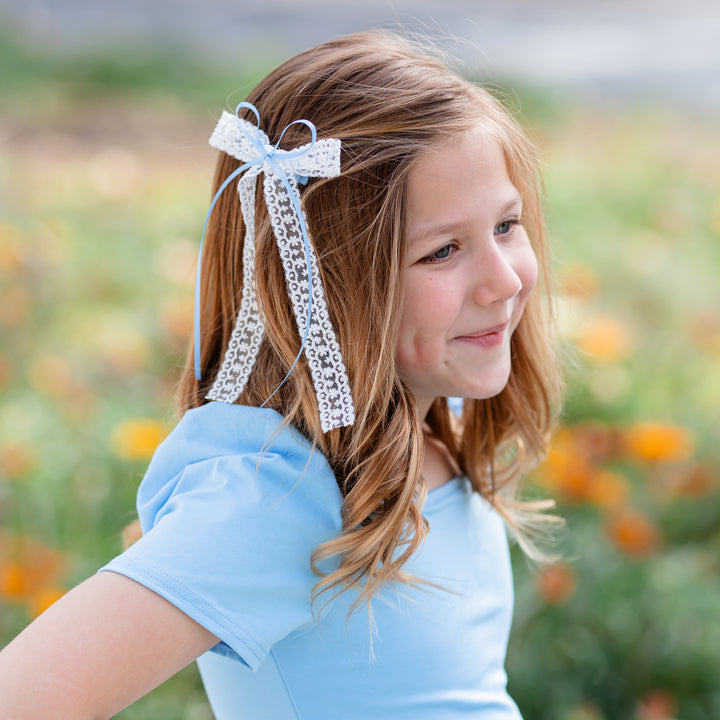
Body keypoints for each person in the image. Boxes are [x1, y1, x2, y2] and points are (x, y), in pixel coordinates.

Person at [0, 30, 562, 719]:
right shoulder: (278, 493)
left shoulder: (424, 419)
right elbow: (28, 694)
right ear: (323, 285)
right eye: (444, 250)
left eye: (507, 225)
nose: (503, 280)